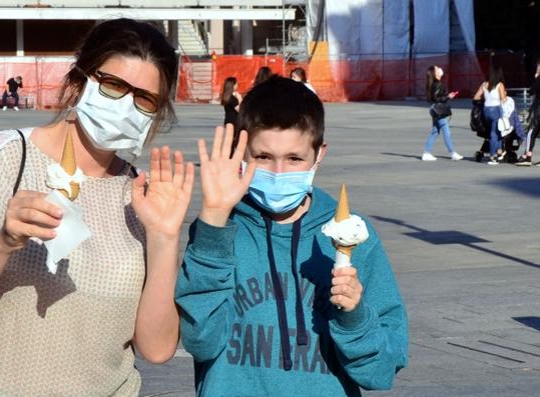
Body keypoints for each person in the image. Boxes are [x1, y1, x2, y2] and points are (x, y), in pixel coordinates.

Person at [0, 19, 193, 396]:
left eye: (145, 98)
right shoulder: (7, 154)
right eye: (114, 85)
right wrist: (3, 241)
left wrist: (165, 238)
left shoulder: (144, 195)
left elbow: (157, 347)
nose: (126, 105)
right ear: (79, 81)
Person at [175, 76, 408, 396]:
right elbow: (201, 341)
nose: (279, 173)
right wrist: (213, 223)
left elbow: (380, 374)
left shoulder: (355, 237)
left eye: (295, 158)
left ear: (319, 154)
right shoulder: (219, 230)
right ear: (242, 154)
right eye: (263, 157)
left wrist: (354, 316)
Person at [422, 65, 463, 161]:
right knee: (446, 131)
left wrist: (448, 96)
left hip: (435, 110)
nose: (440, 69)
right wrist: (448, 96)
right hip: (438, 111)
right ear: (435, 73)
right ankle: (452, 152)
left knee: (435, 132)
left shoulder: (435, 83)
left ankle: (426, 153)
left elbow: (435, 97)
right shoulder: (437, 84)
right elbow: (436, 98)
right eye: (437, 68)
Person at [473, 66, 507, 165]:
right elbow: (503, 99)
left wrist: (485, 99)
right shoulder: (500, 85)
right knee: (494, 133)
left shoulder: (484, 84)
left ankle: (500, 151)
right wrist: (504, 95)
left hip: (486, 110)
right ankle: (493, 156)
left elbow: (476, 97)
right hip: (496, 109)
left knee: (497, 130)